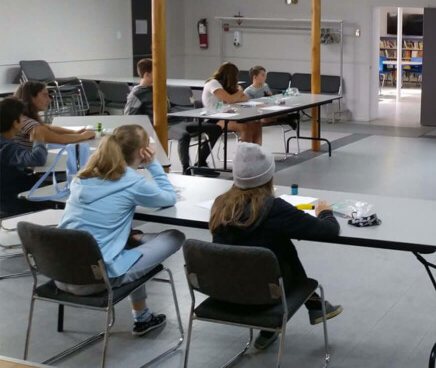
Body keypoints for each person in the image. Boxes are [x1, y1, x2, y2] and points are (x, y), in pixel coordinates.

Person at [210, 142, 343, 350]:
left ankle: (305, 310)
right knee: (280, 247)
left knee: (273, 244)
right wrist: (325, 212)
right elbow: (329, 230)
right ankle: (314, 303)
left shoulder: (220, 204)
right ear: (269, 176)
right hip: (265, 296)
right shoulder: (274, 209)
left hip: (223, 292)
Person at [56, 124, 184, 336]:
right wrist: (153, 165)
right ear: (142, 152)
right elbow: (169, 197)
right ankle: (141, 317)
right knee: (174, 236)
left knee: (127, 245)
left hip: (60, 272)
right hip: (98, 279)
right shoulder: (132, 182)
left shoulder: (82, 178)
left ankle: (143, 318)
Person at [124, 58, 222, 175]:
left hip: (176, 121)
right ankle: (186, 170)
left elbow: (169, 107)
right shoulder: (137, 94)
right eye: (156, 72)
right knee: (184, 136)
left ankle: (200, 163)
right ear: (147, 74)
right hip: (163, 126)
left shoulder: (158, 89)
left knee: (216, 129)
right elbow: (129, 117)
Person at [0, 98, 48, 216]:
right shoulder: (7, 147)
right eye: (22, 117)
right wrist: (38, 140)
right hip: (15, 200)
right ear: (15, 123)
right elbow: (38, 159)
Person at [13, 81, 95, 148]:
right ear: (31, 97)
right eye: (45, 95)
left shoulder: (23, 117)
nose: (49, 100)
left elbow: (48, 128)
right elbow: (60, 139)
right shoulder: (28, 123)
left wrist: (75, 132)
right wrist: (84, 136)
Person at [202, 62, 263, 145]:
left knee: (256, 123)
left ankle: (256, 152)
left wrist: (235, 97)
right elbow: (230, 100)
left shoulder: (224, 85)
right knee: (245, 127)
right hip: (213, 118)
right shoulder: (213, 83)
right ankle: (245, 156)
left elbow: (245, 98)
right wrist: (240, 91)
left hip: (225, 115)